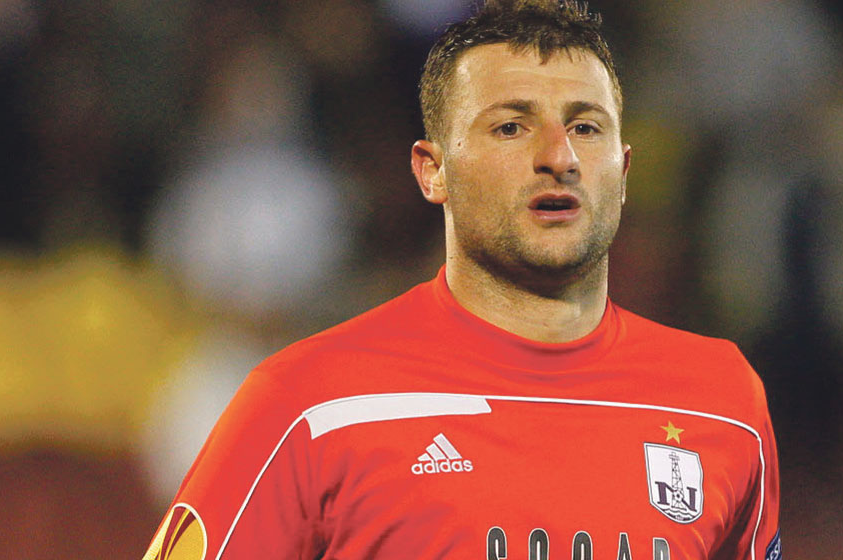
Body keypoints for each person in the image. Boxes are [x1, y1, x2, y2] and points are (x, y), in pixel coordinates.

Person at [142, 1, 781, 559]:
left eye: (586, 127)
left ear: (624, 169)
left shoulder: (721, 400)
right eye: (511, 127)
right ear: (433, 171)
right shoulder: (310, 405)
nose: (558, 157)